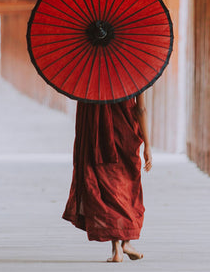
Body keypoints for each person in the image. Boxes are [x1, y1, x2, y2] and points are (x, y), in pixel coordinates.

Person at [62, 93, 153, 262]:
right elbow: (141, 109)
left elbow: (84, 109)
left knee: (107, 187)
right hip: (125, 134)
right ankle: (125, 241)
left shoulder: (91, 77)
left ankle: (117, 248)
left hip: (97, 136)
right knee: (127, 186)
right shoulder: (133, 73)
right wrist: (147, 144)